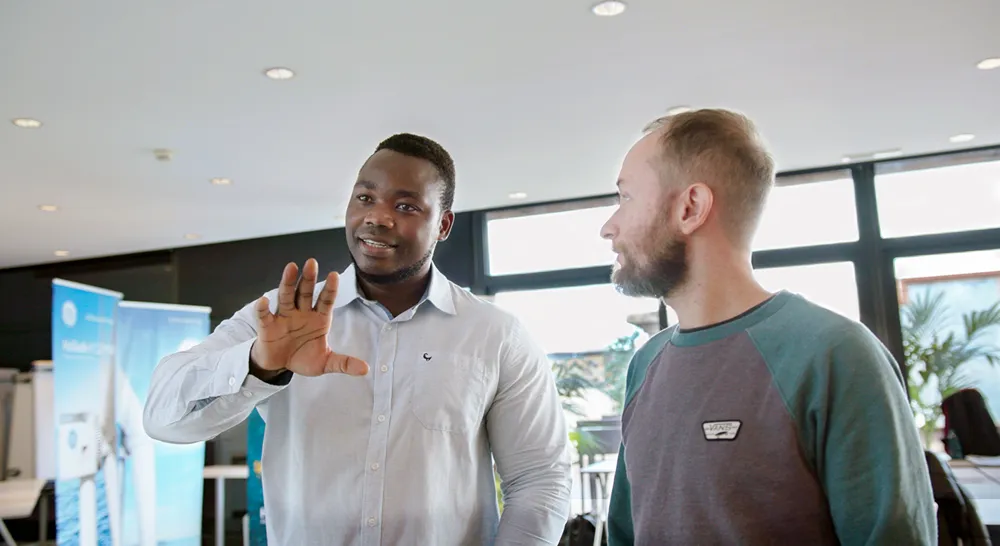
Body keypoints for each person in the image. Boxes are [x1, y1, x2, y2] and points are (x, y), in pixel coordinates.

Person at [143, 133, 572, 545]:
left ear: (443, 225)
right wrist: (259, 365)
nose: (377, 217)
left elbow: (539, 478)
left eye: (405, 206)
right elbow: (163, 418)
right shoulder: (283, 316)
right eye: (365, 198)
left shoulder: (496, 335)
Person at [600, 109, 936, 545]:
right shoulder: (645, 364)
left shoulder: (834, 354)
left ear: (691, 207)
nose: (608, 227)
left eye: (625, 198)